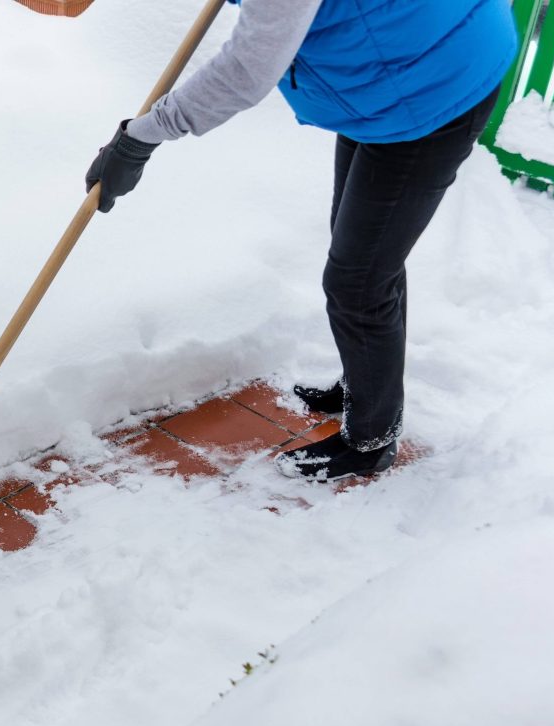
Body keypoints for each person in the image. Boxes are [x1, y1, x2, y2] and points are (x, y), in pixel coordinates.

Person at [86, 0, 518, 481]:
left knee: (359, 280)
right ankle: (365, 387)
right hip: (392, 69)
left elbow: (247, 70)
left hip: (432, 87)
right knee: (365, 260)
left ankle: (371, 439)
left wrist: (140, 138)